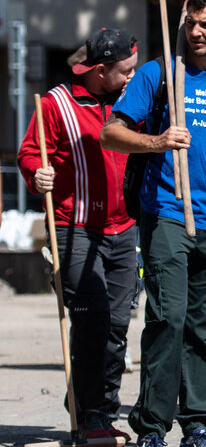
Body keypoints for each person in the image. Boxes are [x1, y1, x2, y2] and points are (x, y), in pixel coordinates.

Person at [100, 0, 206, 447]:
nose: (196, 31)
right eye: (190, 22)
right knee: (168, 318)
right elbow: (110, 134)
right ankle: (152, 425)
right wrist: (157, 142)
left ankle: (197, 421)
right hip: (166, 215)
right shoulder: (158, 75)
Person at [17, 27, 139, 442]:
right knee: (93, 321)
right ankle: (93, 416)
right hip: (74, 227)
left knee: (118, 325)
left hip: (125, 228)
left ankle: (100, 406)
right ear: (100, 71)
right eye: (125, 71)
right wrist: (38, 174)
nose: (131, 77)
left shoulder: (131, 99)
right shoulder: (56, 103)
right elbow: (31, 153)